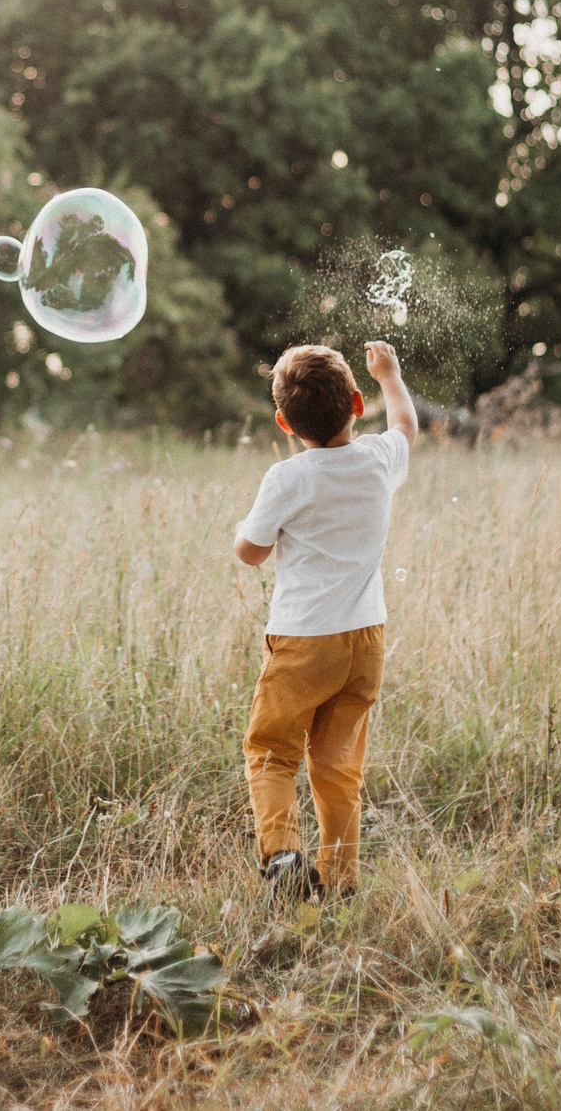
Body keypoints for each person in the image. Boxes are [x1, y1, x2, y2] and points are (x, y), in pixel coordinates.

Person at [232, 340, 417, 899]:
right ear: (357, 405)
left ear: (285, 422)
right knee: (338, 768)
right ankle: (340, 884)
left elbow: (251, 551)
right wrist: (390, 375)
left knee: (270, 752)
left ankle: (284, 855)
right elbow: (406, 424)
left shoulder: (287, 478)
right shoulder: (379, 460)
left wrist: (240, 533)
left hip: (303, 641)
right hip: (365, 642)